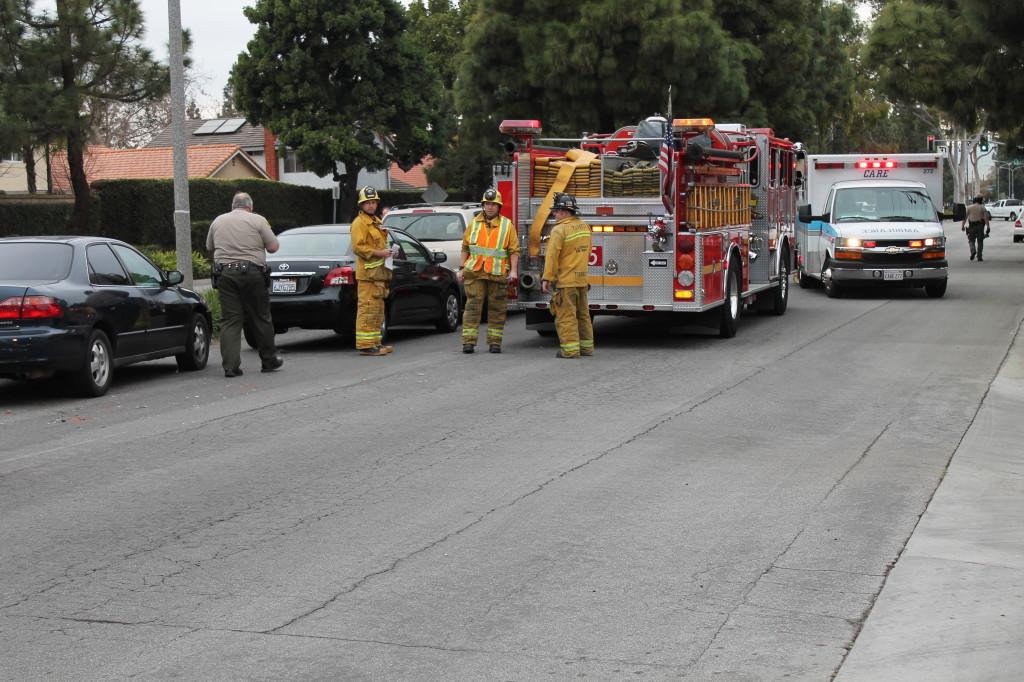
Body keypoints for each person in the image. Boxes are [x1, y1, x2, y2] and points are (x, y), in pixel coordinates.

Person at [206, 192, 283, 377]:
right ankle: (268, 360)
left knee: (230, 320)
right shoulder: (257, 220)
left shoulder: (218, 221)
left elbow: (209, 246)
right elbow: (273, 247)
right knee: (260, 317)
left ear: (233, 205)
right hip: (252, 273)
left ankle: (230, 366)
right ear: (250, 206)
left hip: (225, 274)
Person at [458, 188, 519, 354]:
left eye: (493, 204)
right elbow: (465, 247)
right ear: (483, 205)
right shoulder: (473, 224)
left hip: (497, 274)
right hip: (475, 272)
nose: (490, 207)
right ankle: (468, 343)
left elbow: (514, 251)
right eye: (487, 204)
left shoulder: (507, 226)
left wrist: (513, 271)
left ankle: (495, 343)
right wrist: (461, 268)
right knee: (472, 307)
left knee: (497, 309)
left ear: (499, 207)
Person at [541, 192, 593, 358]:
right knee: (583, 315)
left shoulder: (559, 230)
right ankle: (586, 348)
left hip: (566, 282)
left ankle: (570, 350)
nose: (554, 214)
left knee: (566, 316)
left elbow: (552, 256)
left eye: (556, 211)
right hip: (582, 280)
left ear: (564, 211)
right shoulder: (585, 227)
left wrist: (547, 278)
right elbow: (588, 252)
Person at [351, 186, 397, 356]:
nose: (370, 206)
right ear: (361, 205)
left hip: (378, 275)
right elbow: (359, 247)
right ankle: (365, 345)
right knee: (367, 309)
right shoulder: (359, 223)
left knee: (377, 310)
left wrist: (390, 251)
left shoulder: (377, 222)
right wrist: (380, 253)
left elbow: (380, 245)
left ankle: (375, 343)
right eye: (367, 203)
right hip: (368, 276)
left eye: (373, 202)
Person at [961, 195, 990, 261]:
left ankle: (973, 250)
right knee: (980, 242)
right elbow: (986, 218)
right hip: (980, 226)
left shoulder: (969, 207)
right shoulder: (982, 208)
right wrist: (988, 227)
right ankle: (979, 256)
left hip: (971, 226)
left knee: (971, 240)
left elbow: (964, 218)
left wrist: (962, 226)